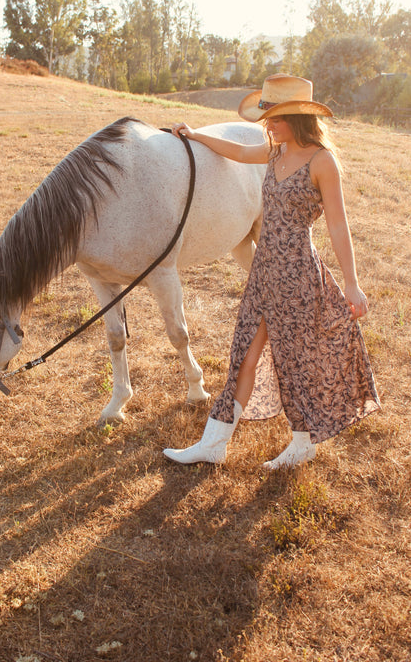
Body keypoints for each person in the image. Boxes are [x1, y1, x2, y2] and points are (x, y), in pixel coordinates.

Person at [163, 74, 380, 469]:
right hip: (264, 273)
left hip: (298, 276)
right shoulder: (274, 152)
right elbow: (238, 152)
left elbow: (337, 225)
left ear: (296, 118)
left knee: (294, 358)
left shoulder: (322, 161)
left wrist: (352, 283)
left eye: (275, 119)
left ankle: (302, 443)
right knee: (244, 352)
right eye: (266, 119)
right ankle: (214, 443)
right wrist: (195, 135)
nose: (268, 126)